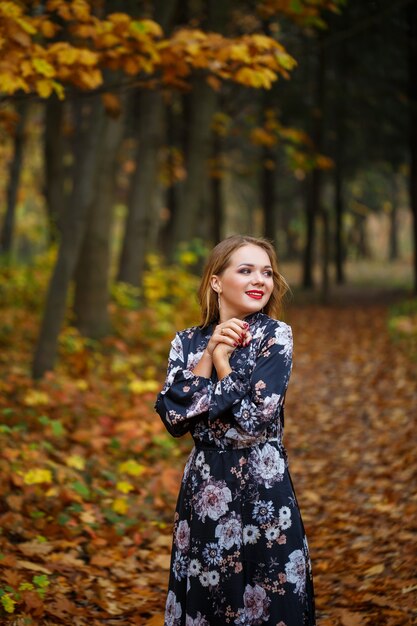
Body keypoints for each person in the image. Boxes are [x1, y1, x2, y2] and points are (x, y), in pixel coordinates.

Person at [155, 235, 315, 626]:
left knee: (271, 598)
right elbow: (175, 418)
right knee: (212, 599)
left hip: (263, 483)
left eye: (267, 272)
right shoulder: (186, 342)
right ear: (216, 281)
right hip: (206, 485)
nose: (260, 280)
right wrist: (210, 351)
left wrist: (223, 363)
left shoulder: (275, 336)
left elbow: (252, 421)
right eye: (245, 270)